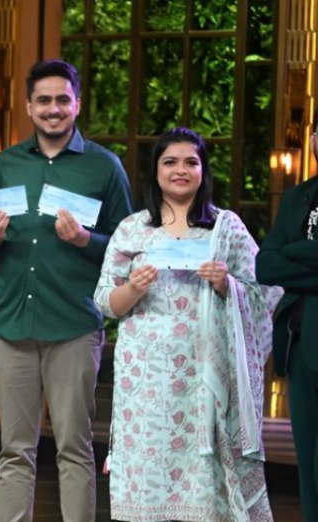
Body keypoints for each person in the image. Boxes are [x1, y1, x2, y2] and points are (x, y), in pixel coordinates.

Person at [0, 59, 133, 522]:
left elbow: (129, 246)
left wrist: (84, 240)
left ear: (77, 104)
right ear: (29, 107)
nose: (53, 108)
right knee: (14, 450)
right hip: (11, 326)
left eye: (63, 99)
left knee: (74, 449)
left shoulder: (104, 166)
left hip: (73, 327)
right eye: (44, 100)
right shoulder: (8, 163)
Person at [94, 127, 281, 522]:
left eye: (190, 162)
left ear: (203, 171)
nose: (180, 170)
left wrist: (227, 285)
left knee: (202, 476)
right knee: (148, 466)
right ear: (156, 170)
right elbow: (105, 301)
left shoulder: (226, 228)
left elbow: (265, 292)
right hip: (144, 379)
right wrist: (133, 288)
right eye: (170, 162)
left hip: (204, 376)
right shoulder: (133, 228)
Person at [256, 114, 318, 522]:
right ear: (313, 141)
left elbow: (282, 257)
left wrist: (292, 251)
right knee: (307, 468)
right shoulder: (298, 197)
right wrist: (302, 253)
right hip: (299, 347)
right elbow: (266, 265)